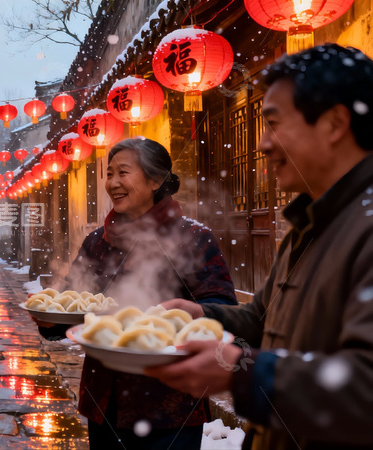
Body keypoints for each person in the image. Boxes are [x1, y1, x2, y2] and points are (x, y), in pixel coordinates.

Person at [146, 44, 373, 450]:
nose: (264, 144)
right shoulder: (311, 224)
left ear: (335, 123)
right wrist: (200, 312)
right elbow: (261, 318)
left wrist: (241, 372)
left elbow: (364, 385)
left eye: (274, 123)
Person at [38, 138, 237, 449]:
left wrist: (182, 315)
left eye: (123, 172)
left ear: (155, 180)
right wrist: (50, 321)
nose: (113, 183)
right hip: (104, 400)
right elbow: (71, 304)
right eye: (109, 173)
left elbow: (223, 309)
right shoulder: (97, 242)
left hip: (170, 403)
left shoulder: (194, 238)